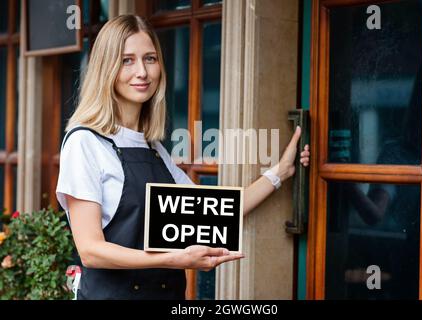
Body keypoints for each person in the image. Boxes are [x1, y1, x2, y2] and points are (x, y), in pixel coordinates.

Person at [56, 15, 310, 300]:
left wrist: (280, 173)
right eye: (127, 60)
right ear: (106, 69)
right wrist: (173, 259)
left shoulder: (153, 149)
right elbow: (91, 251)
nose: (142, 71)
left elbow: (216, 214)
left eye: (150, 58)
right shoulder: (85, 142)